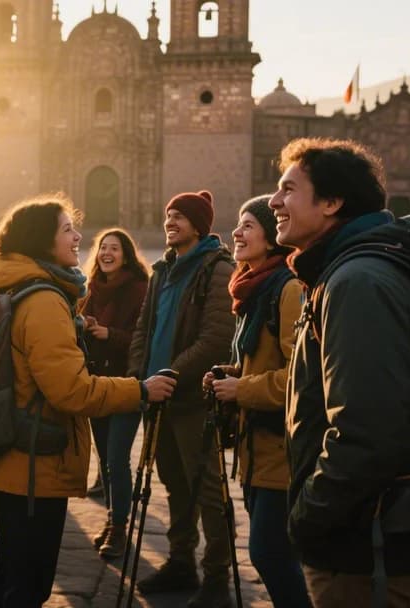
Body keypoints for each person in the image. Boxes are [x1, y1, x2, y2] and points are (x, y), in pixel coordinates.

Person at [268, 138, 410, 607]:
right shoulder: (349, 273)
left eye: (288, 189)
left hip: (369, 539)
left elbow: (367, 429)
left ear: (332, 203)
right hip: (375, 530)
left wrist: (309, 516)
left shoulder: (358, 283)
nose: (274, 201)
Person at [0, 195, 176, 607]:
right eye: (67, 229)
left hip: (6, 455)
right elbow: (72, 390)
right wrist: (139, 389)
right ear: (41, 240)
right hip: (33, 461)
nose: (78, 236)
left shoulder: (9, 284)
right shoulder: (44, 299)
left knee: (10, 572)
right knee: (27, 584)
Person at [127, 190, 237, 607]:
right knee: (173, 483)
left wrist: (171, 373)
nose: (170, 221)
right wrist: (141, 375)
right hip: (159, 398)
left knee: (207, 490)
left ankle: (216, 578)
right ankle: (180, 562)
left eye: (180, 216)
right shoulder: (162, 270)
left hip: (192, 397)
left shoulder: (217, 268)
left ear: (199, 224)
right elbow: (143, 327)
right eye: (168, 214)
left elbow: (215, 340)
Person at [204, 196, 311, 607]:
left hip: (280, 452)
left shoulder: (284, 290)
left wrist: (241, 389)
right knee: (277, 556)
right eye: (238, 223)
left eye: (248, 225)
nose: (236, 232)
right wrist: (230, 375)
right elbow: (263, 363)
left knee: (269, 554)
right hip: (256, 450)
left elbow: (301, 378)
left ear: (271, 237)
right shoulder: (253, 290)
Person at [80, 228, 150, 559]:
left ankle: (120, 529)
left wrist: (109, 333)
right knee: (105, 456)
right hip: (97, 384)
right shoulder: (91, 289)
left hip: (126, 382)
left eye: (115, 248)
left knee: (116, 458)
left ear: (126, 255)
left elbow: (141, 337)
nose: (107, 253)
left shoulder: (139, 289)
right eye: (103, 248)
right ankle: (113, 520)